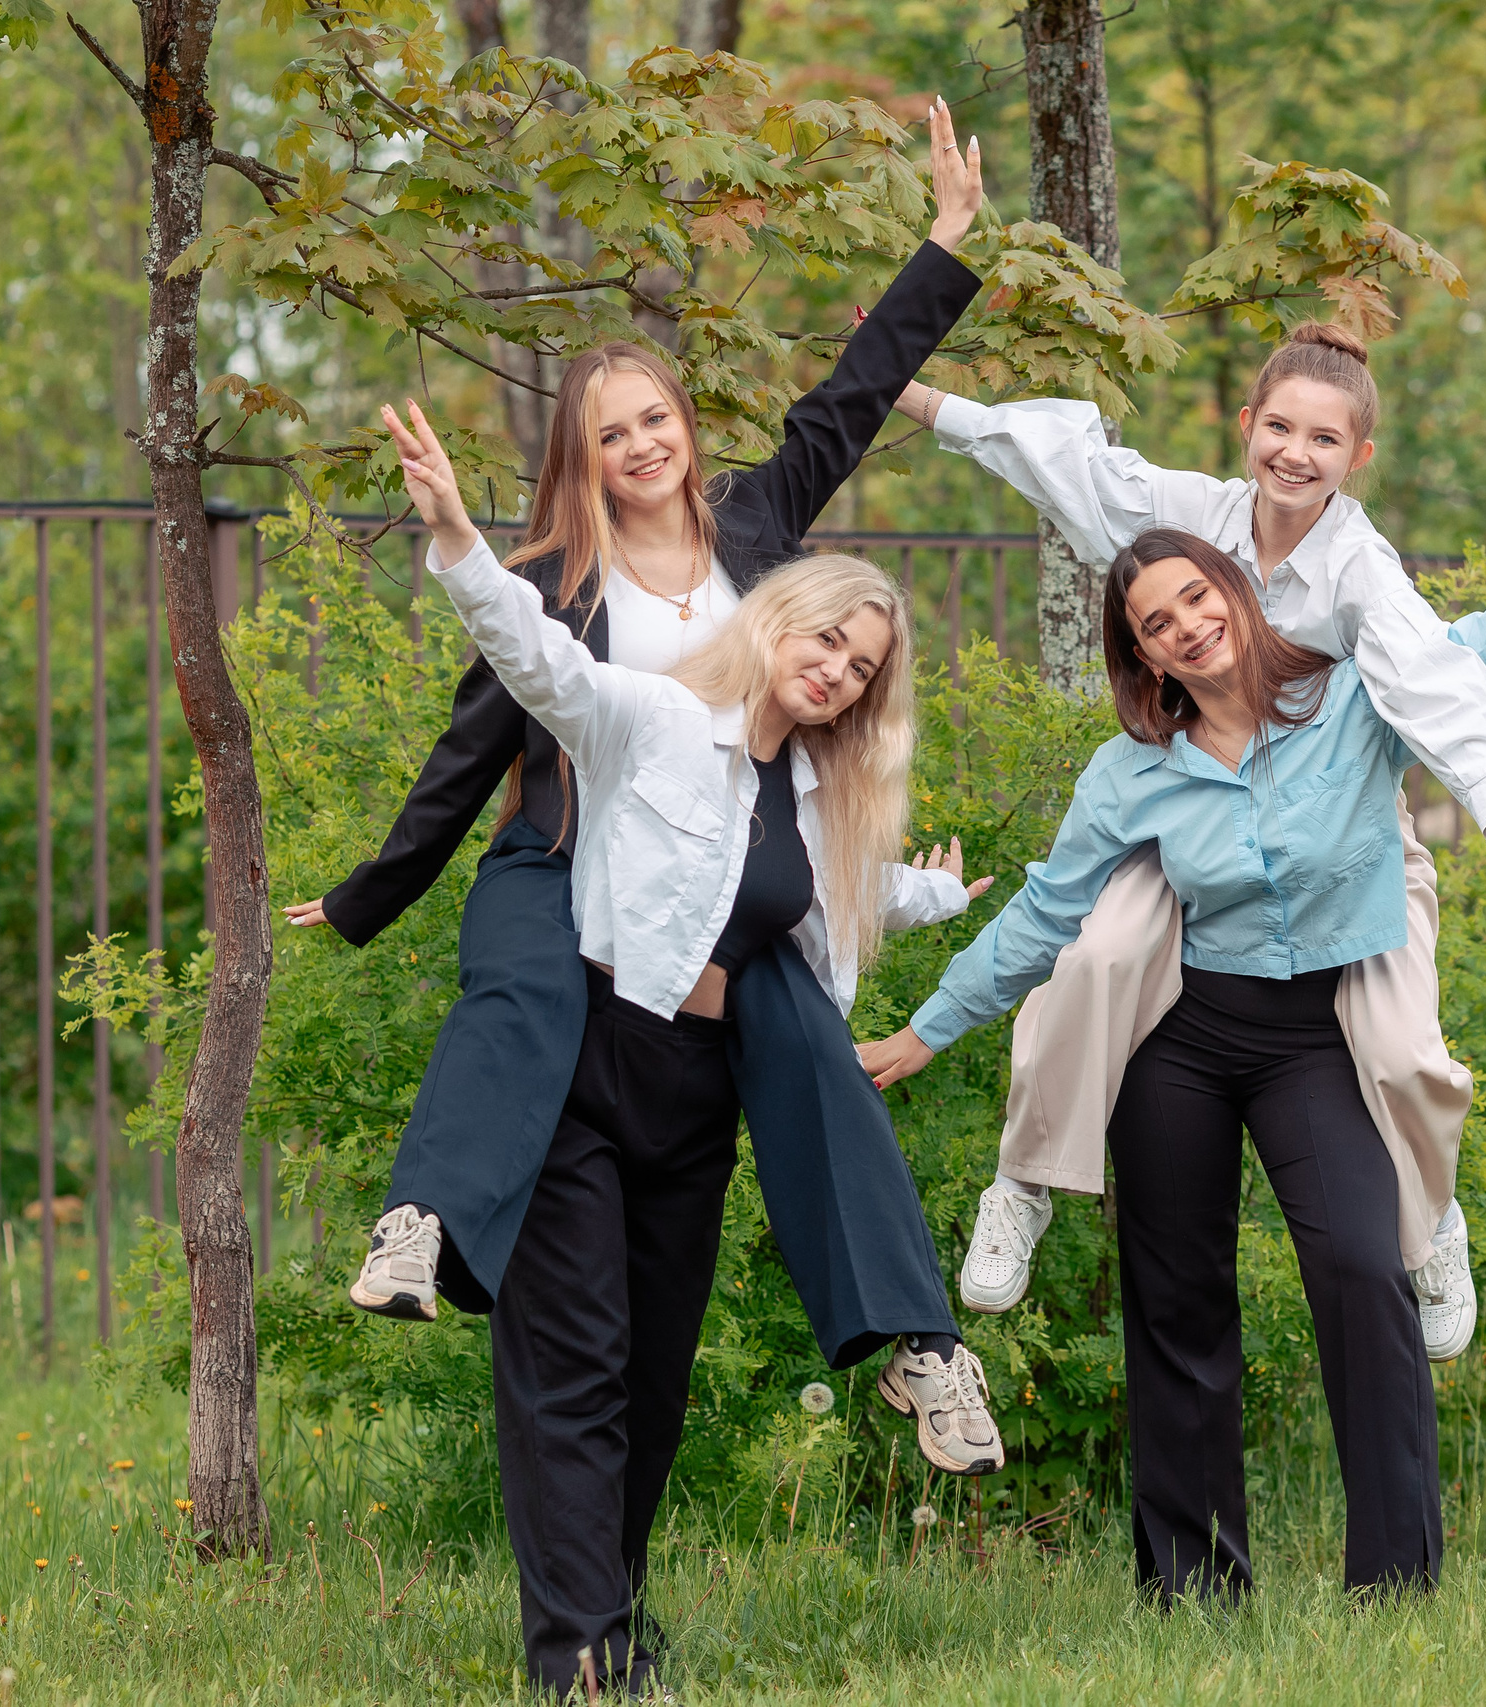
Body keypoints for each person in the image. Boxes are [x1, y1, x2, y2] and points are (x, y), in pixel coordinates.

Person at [859, 398, 1486, 1594]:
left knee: (1361, 1270)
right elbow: (1044, 919)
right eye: (1156, 624)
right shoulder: (1132, 773)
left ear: (1240, 597)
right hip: (1188, 1039)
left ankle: (1396, 1582)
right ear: (1143, 653)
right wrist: (923, 1030)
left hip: (1315, 1037)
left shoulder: (1352, 700)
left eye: (1199, 600)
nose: (1185, 628)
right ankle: (1190, 1587)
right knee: (1176, 1300)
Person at [281, 105, 986, 1349]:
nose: (640, 445)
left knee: (810, 1045)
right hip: (559, 861)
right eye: (611, 435)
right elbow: (471, 757)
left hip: (718, 873)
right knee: (520, 987)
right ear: (586, 457)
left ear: (682, 425)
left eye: (653, 420)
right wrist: (367, 895)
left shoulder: (759, 525)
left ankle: (913, 1348)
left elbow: (853, 398)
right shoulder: (552, 577)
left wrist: (943, 244)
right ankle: (423, 1226)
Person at [384, 394, 1005, 1694]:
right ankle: (576, 1658)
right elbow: (538, 663)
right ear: (776, 618)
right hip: (581, 1062)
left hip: (690, 1096)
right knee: (576, 1370)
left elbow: (835, 906)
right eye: (827, 636)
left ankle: (613, 1622)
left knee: (652, 1389)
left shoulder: (824, 804)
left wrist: (933, 892)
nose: (835, 667)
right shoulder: (661, 715)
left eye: (860, 667)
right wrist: (458, 544)